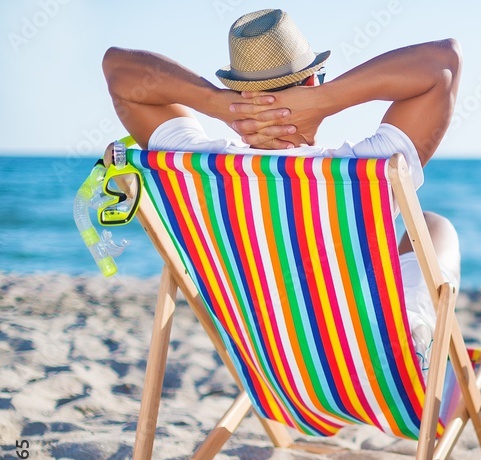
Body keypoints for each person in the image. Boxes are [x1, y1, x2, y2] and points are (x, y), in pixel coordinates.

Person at [103, 9, 462, 367]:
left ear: (238, 91)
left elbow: (118, 69)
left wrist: (219, 104)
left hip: (272, 372)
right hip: (379, 368)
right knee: (434, 227)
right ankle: (418, 333)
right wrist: (327, 100)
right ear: (311, 83)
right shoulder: (367, 171)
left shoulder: (192, 167)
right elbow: (444, 62)